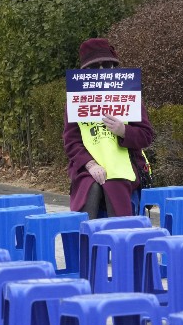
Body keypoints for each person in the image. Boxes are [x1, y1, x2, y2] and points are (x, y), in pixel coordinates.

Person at [63, 38, 154, 220]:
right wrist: (90, 164)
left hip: (124, 166)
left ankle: (121, 241)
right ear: (85, 72)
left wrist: (123, 131)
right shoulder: (75, 99)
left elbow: (146, 135)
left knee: (114, 186)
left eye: (108, 65)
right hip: (87, 167)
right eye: (96, 67)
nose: (102, 72)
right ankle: (87, 244)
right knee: (91, 188)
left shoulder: (129, 96)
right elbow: (71, 141)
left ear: (115, 68)